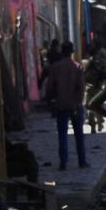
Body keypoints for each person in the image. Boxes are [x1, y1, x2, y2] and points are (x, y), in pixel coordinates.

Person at [41, 40, 88, 169]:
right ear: (71, 52)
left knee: (62, 134)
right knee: (79, 135)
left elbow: (50, 87)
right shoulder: (77, 67)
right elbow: (81, 88)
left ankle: (63, 162)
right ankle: (82, 161)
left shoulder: (55, 67)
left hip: (61, 104)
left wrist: (49, 99)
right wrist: (78, 102)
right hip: (75, 105)